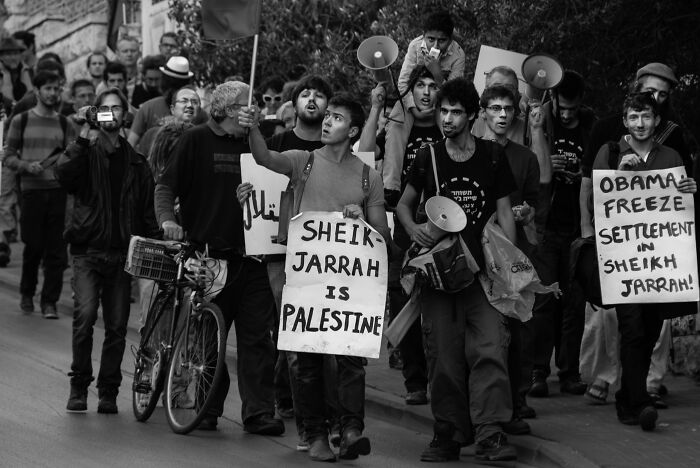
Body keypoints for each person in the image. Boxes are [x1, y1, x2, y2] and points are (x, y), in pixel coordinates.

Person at [239, 92, 393, 462]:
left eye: (337, 118)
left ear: (353, 130)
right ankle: (315, 433)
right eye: (328, 116)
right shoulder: (302, 162)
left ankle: (352, 430)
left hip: (349, 283)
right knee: (307, 360)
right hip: (307, 280)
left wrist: (362, 220)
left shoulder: (367, 176)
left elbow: (383, 238)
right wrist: (253, 127)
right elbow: (264, 158)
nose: (326, 121)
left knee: (350, 358)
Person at [396, 78, 517, 462]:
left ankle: (491, 433)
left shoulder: (493, 156)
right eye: (442, 111)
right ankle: (447, 432)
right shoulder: (427, 156)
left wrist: (510, 268)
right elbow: (403, 205)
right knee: (443, 359)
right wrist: (415, 231)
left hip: (483, 275)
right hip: (439, 277)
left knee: (490, 351)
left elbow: (503, 213)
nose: (446, 118)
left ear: (472, 115)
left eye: (455, 112)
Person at [155, 81, 284, 436]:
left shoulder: (257, 143)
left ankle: (258, 412)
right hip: (211, 256)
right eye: (248, 103)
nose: (254, 108)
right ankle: (208, 406)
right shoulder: (195, 140)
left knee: (258, 338)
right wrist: (167, 219)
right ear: (227, 109)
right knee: (209, 335)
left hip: (253, 257)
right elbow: (166, 186)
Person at [579, 63, 689, 407]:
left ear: (656, 121)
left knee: (652, 329)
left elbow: (680, 210)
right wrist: (617, 175)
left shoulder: (671, 155)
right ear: (625, 121)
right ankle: (633, 402)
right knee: (630, 327)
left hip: (658, 265)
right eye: (634, 118)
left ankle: (633, 390)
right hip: (622, 262)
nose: (640, 124)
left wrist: (690, 190)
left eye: (647, 117)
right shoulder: (610, 152)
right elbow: (596, 199)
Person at [237, 74, 337, 451]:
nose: (312, 100)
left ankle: (308, 409)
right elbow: (259, 170)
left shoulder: (337, 147)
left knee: (317, 337)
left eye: (320, 95)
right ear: (293, 104)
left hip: (326, 257)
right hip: (281, 255)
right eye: (305, 94)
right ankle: (298, 407)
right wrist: (246, 193)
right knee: (292, 333)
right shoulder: (279, 143)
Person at [56, 86, 159, 413]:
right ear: (96, 113)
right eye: (104, 109)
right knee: (85, 317)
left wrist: (158, 240)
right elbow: (64, 176)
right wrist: (84, 135)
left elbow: (146, 212)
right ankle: (78, 386)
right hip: (87, 251)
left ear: (125, 115)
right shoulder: (84, 151)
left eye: (116, 109)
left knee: (116, 326)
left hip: (121, 256)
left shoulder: (137, 163)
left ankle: (108, 391)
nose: (111, 114)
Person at [527, 70, 596, 399]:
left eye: (573, 108)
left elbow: (601, 166)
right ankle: (538, 370)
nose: (567, 114)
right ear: (552, 99)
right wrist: (546, 162)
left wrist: (582, 172)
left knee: (574, 302)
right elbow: (528, 167)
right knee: (544, 300)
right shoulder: (541, 121)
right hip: (547, 223)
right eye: (562, 107)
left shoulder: (590, 125)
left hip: (578, 227)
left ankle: (569, 372)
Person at [478, 84, 541, 431]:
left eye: (508, 109)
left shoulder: (525, 158)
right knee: (486, 335)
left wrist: (526, 213)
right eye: (495, 108)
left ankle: (517, 404)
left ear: (516, 115)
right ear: (483, 112)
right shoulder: (471, 152)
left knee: (519, 332)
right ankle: (487, 408)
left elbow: (535, 201)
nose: (502, 115)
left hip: (516, 254)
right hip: (478, 254)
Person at [381, 66, 443, 406]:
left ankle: (440, 377)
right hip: (405, 224)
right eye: (420, 85)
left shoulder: (448, 127)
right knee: (404, 300)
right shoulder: (394, 127)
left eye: (433, 86)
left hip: (443, 227)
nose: (426, 91)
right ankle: (415, 381)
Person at [3, 70, 75, 318]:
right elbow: (8, 156)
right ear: (37, 91)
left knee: (56, 250)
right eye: (48, 88)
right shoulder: (20, 120)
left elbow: (72, 157)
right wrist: (26, 166)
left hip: (57, 192)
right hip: (31, 192)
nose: (53, 93)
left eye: (56, 89)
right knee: (32, 247)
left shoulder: (66, 123)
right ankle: (26, 292)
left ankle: (49, 301)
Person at [397, 9, 465, 120]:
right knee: (397, 122)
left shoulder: (458, 55)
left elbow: (454, 95)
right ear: (424, 35)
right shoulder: (415, 46)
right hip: (413, 103)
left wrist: (437, 74)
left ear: (450, 40)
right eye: (431, 39)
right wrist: (415, 111)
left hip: (441, 103)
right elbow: (403, 83)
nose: (435, 46)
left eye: (442, 40)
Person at [128, 56, 207, 148]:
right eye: (172, 85)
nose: (175, 91)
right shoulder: (148, 108)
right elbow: (131, 144)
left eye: (178, 86)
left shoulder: (199, 114)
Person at [136, 85, 200, 155]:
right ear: (172, 109)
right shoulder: (151, 134)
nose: (189, 105)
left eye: (194, 102)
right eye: (184, 101)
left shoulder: (202, 138)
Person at [0, 36, 32, 101]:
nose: (13, 58)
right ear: (1, 57)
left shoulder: (28, 71)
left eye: (16, 53)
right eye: (8, 54)